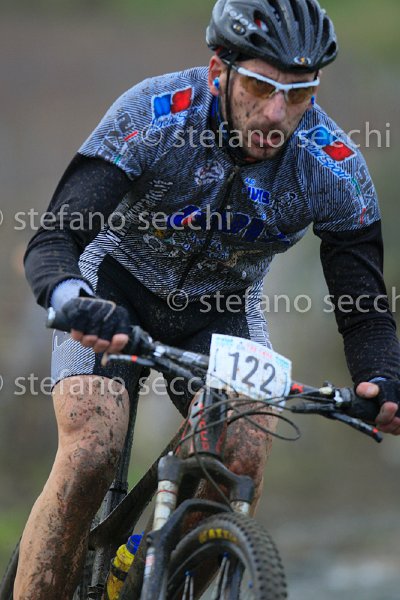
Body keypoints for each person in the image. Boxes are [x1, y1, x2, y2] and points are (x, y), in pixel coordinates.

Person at [14, 0, 400, 598]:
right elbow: (57, 238)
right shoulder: (154, 114)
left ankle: (153, 573)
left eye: (298, 94)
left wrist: (383, 378)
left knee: (243, 452)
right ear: (220, 70)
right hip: (112, 289)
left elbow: (364, 309)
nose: (276, 114)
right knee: (91, 451)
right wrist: (71, 298)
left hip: (221, 310)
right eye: (261, 87)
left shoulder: (332, 167)